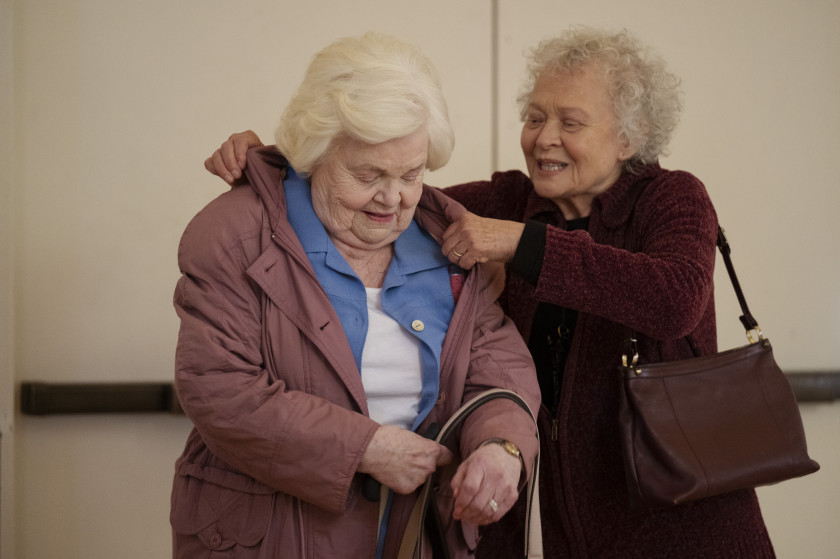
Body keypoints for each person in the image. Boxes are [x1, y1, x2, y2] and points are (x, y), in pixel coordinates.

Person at [204, 26, 776, 558]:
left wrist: (523, 244)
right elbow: (379, 177)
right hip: (559, 521)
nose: (544, 137)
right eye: (534, 117)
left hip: (680, 519)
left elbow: (673, 299)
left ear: (630, 136)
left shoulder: (671, 198)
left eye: (570, 123)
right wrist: (273, 165)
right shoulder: (509, 199)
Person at [173, 32, 541, 559]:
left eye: (411, 174)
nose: (392, 198)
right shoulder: (233, 235)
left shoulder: (448, 241)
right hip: (273, 537)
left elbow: (498, 368)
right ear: (315, 154)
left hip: (411, 537)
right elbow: (219, 388)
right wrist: (366, 448)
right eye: (368, 174)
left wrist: (501, 446)